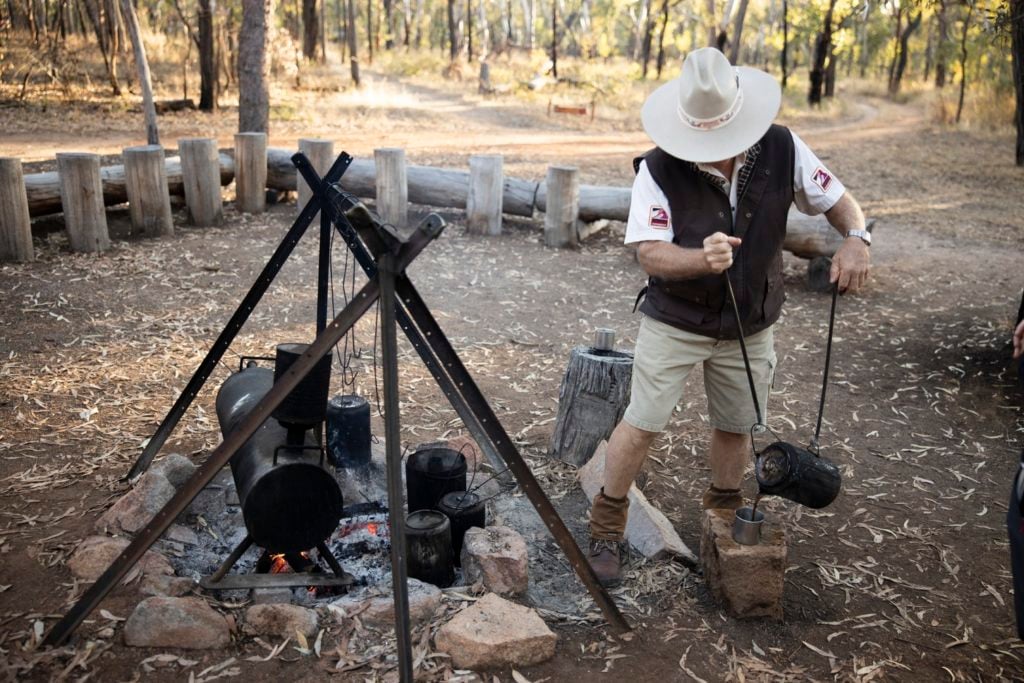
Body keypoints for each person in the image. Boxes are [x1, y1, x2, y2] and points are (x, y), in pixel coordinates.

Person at [587, 47, 872, 586]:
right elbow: (648, 252)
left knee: (736, 425)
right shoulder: (658, 166)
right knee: (642, 423)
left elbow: (836, 198)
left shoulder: (784, 146)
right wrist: (699, 259)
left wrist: (856, 238)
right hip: (676, 319)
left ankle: (722, 517)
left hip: (752, 321)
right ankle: (606, 526)